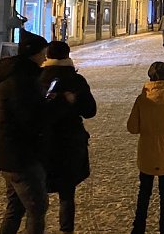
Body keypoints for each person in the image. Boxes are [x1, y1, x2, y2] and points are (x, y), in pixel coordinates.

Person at [0, 30, 51, 234]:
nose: (45, 57)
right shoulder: (23, 81)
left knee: (15, 207)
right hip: (22, 156)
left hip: (6, 152)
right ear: (33, 53)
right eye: (43, 53)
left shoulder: (11, 74)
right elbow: (31, 119)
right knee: (37, 208)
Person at [40, 41, 97, 234]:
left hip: (41, 142)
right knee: (66, 195)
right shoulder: (75, 80)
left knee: (35, 196)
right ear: (67, 55)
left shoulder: (37, 78)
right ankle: (66, 230)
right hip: (69, 143)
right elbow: (90, 111)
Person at [127, 61, 164, 234]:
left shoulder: (142, 99)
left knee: (144, 192)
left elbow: (132, 127)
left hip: (147, 153)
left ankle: (138, 229)